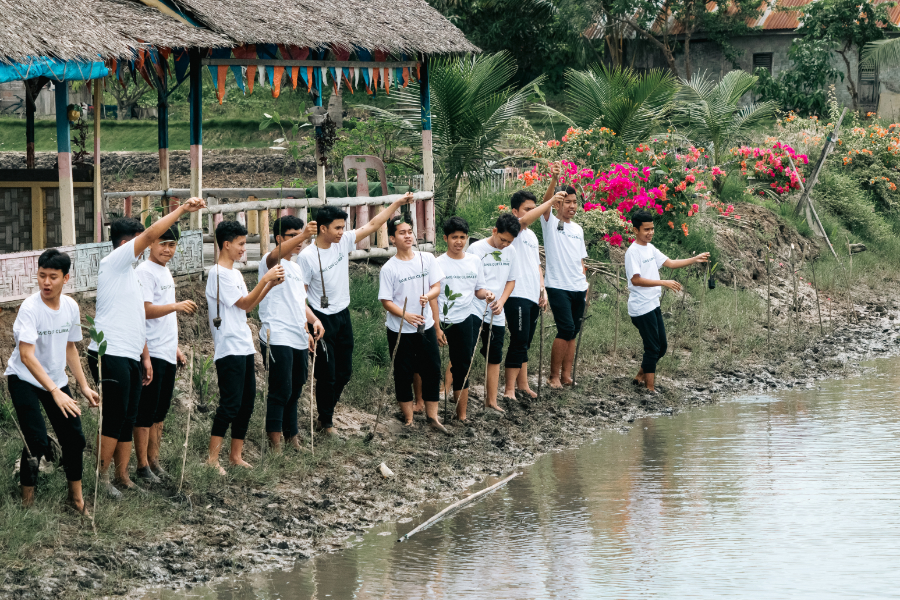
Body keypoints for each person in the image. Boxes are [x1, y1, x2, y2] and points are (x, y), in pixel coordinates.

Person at [88, 198, 205, 498]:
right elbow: (153, 233)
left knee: (129, 416)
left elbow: (137, 317)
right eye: (142, 241)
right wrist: (182, 210)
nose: (150, 245)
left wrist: (144, 355)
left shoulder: (131, 274)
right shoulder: (114, 263)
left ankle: (123, 476)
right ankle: (102, 478)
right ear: (126, 244)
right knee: (115, 416)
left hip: (130, 352)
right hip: (109, 351)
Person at [298, 192, 414, 436]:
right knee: (327, 375)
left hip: (342, 315)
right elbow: (300, 297)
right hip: (320, 319)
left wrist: (396, 204)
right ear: (322, 228)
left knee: (344, 372)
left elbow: (372, 224)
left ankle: (324, 414)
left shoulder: (342, 242)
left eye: (343, 227)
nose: (342, 232)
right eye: (337, 228)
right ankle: (327, 424)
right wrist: (309, 323)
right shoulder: (306, 257)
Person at [5, 249, 100, 515]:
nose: (46, 282)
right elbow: (26, 355)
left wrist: (83, 386)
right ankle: (27, 503)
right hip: (23, 378)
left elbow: (70, 347)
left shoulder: (70, 307)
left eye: (53, 277)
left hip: (55, 380)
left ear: (65, 278)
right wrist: (55, 391)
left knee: (74, 438)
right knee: (35, 441)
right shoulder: (30, 308)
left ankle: (76, 499)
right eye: (42, 275)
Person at [206, 220, 285, 474]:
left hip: (243, 344)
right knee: (230, 403)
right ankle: (212, 459)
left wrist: (269, 285)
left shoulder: (236, 273)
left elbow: (249, 305)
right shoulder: (217, 274)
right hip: (228, 346)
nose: (243, 248)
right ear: (226, 244)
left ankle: (235, 456)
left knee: (247, 401)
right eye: (240, 244)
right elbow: (243, 303)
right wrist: (265, 279)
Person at [133, 225, 196, 485]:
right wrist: (176, 306)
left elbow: (164, 319)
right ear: (150, 243)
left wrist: (176, 348)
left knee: (160, 411)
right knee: (146, 411)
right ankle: (142, 465)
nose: (167, 249)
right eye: (162, 243)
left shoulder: (164, 270)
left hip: (167, 351)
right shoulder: (144, 271)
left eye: (172, 245)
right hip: (152, 350)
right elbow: (144, 311)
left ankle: (154, 460)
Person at [259, 215, 325, 452]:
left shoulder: (296, 267)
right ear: (279, 238)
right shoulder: (270, 262)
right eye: (293, 236)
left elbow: (300, 302)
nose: (299, 241)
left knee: (296, 388)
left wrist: (314, 321)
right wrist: (306, 234)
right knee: (281, 389)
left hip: (298, 336)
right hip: (276, 335)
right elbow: (273, 256)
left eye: (301, 235)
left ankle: (292, 437)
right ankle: (275, 444)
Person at [625, 210, 709, 393]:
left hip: (653, 303)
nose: (650, 232)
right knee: (652, 348)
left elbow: (670, 263)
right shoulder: (632, 252)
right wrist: (663, 282)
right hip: (641, 307)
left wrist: (694, 259)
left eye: (652, 228)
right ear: (635, 230)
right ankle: (650, 388)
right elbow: (636, 280)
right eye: (646, 229)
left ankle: (640, 376)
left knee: (661, 347)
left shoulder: (650, 248)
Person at [378, 214, 448, 432]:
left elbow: (437, 286)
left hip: (425, 326)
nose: (408, 236)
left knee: (432, 369)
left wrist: (429, 296)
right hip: (400, 329)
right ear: (392, 239)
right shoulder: (389, 268)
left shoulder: (427, 259)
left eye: (410, 232)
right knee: (403, 372)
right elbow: (386, 301)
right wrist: (405, 315)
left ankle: (433, 417)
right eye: (402, 233)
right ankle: (408, 418)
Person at [503, 190, 562, 401]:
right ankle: (509, 390)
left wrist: (542, 289)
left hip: (532, 294)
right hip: (515, 293)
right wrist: (551, 202)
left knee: (525, 342)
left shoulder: (532, 236)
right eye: (527, 209)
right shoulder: (514, 230)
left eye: (533, 208)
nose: (531, 212)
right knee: (518, 340)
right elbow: (526, 220)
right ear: (515, 211)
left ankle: (523, 385)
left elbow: (537, 265)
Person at [435, 217, 495, 422]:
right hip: (442, 319)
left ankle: (461, 415)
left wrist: (487, 294)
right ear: (445, 238)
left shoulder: (474, 261)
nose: (459, 242)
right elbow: (433, 295)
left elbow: (479, 290)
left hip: (464, 319)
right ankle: (426, 408)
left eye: (462, 237)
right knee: (431, 364)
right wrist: (437, 327)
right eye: (454, 237)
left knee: (463, 366)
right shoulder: (438, 264)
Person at [466, 213, 520, 411]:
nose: (505, 244)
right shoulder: (476, 249)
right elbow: (469, 280)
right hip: (474, 307)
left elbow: (511, 280)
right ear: (494, 231)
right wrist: (484, 295)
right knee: (466, 350)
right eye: (503, 239)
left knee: (495, 354)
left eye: (509, 241)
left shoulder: (511, 251)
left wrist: (502, 302)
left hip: (496, 311)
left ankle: (491, 400)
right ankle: (447, 391)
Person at [542, 167, 589, 388]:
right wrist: (554, 180)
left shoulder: (578, 229)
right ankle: (553, 376)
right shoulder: (550, 222)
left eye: (575, 202)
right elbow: (544, 204)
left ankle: (566, 375)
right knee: (566, 328)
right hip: (557, 285)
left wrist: (584, 285)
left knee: (574, 332)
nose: (572, 206)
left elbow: (581, 261)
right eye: (567, 202)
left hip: (578, 286)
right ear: (558, 204)